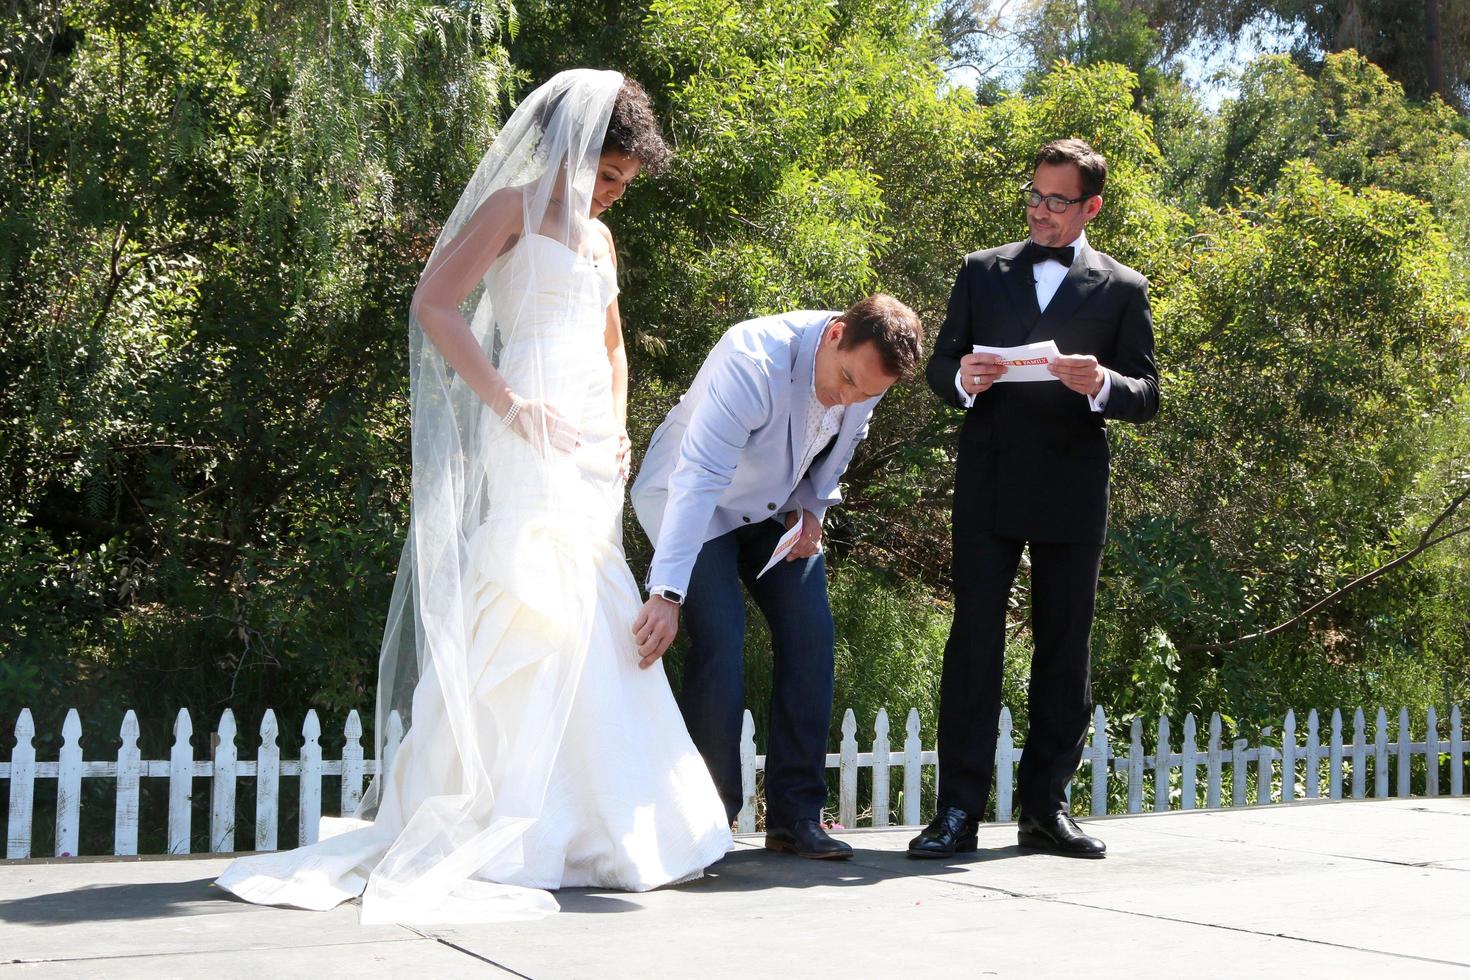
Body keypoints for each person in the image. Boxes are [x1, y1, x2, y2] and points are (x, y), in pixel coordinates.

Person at [215, 70, 731, 924]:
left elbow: (612, 345)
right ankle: (503, 814)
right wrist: (507, 401)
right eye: (606, 178)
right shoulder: (510, 210)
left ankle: (605, 822)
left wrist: (620, 428)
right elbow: (435, 305)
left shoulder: (601, 245)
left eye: (623, 185)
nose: (611, 197)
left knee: (593, 605)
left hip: (588, 446)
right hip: (523, 422)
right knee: (526, 592)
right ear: (570, 152)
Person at [908, 138, 1159, 861]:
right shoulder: (981, 270)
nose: (1040, 211)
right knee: (974, 644)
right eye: (1034, 195)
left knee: (1064, 649)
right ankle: (957, 809)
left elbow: (1147, 395)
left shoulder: (1123, 288)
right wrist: (965, 380)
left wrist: (1102, 384)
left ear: (1091, 207)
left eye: (1057, 200)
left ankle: (1045, 810)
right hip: (988, 479)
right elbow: (940, 364)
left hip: (1074, 486)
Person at [630, 295, 924, 860]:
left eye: (866, 393)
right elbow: (700, 476)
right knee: (721, 636)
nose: (849, 399)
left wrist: (813, 508)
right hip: (691, 499)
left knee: (811, 633)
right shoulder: (753, 358)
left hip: (775, 507)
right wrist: (666, 592)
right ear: (836, 333)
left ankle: (796, 817)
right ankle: (709, 821)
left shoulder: (865, 374)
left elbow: (840, 449)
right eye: (845, 382)